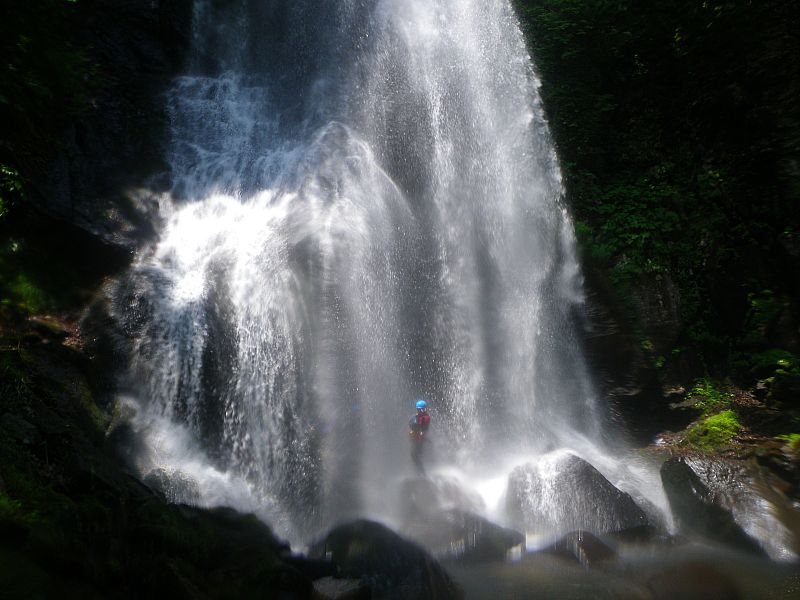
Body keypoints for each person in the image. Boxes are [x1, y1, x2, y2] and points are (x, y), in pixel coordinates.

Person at [408, 399, 430, 474]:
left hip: (419, 439)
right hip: (416, 438)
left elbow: (423, 428)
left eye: (423, 409)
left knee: (415, 455)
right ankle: (419, 471)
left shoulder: (425, 417)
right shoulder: (417, 416)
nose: (422, 411)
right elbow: (411, 423)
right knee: (415, 455)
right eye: (420, 409)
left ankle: (421, 472)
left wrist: (419, 432)